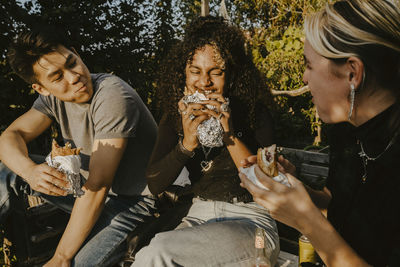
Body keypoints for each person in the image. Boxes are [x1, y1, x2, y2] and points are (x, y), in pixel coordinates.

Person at [239, 0, 400, 266]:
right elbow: (335, 204)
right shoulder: (346, 131)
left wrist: (305, 219)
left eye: (309, 65)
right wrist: (290, 185)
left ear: (352, 72)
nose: (304, 78)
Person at [0, 26, 158, 267]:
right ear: (41, 88)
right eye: (57, 77)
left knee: (74, 264)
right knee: (8, 172)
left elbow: (99, 186)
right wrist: (29, 171)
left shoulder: (112, 95)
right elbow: (11, 135)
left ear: (76, 53)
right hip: (85, 190)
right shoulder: (50, 98)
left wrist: (61, 258)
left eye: (72, 63)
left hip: (135, 201)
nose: (74, 77)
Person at [132, 16, 279, 267]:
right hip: (198, 217)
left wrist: (228, 133)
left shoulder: (255, 111)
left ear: (231, 74)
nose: (204, 82)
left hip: (252, 224)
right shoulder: (176, 114)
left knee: (156, 253)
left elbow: (269, 187)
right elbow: (155, 183)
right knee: (151, 254)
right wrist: (186, 144)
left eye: (215, 72)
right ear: (184, 73)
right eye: (195, 71)